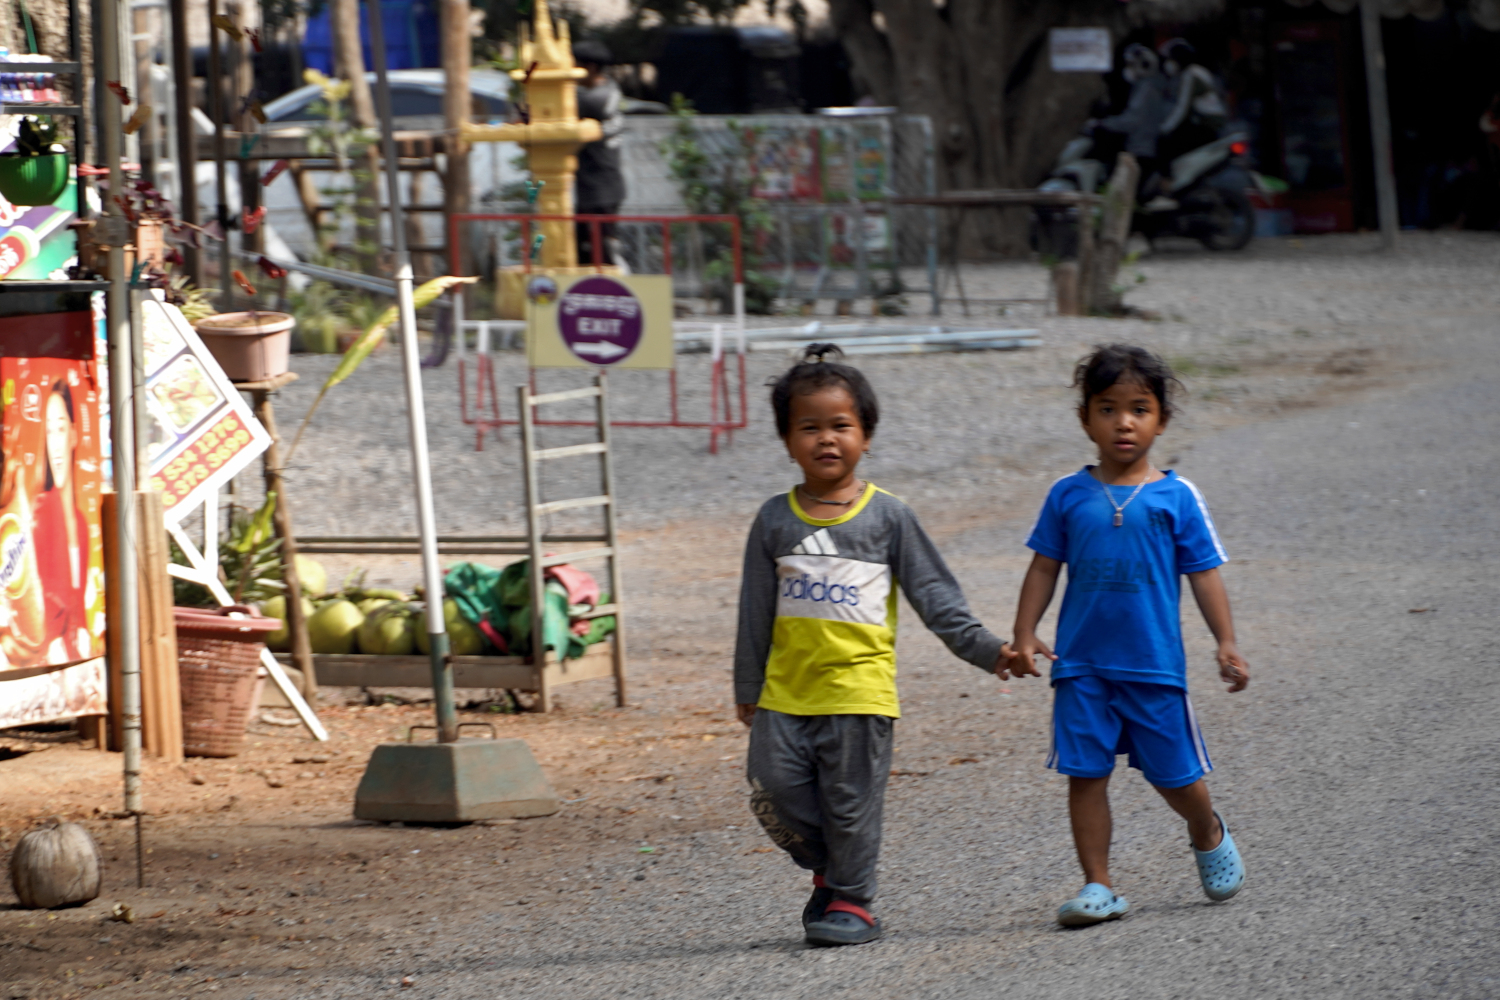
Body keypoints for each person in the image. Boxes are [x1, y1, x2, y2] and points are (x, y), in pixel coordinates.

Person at [734, 344, 1009, 947]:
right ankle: (831, 869)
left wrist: (989, 650)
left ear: (866, 435)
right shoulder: (774, 520)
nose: (826, 439)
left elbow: (936, 597)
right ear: (787, 440)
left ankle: (853, 901)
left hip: (859, 693)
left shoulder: (889, 518)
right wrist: (748, 685)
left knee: (851, 803)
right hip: (785, 695)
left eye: (841, 425)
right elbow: (755, 609)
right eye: (809, 427)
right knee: (773, 789)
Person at [1004, 344, 1249, 926]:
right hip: (1080, 665)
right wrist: (1024, 631)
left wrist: (1225, 641)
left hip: (1153, 664)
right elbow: (1044, 566)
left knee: (1176, 776)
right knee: (1085, 773)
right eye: (1108, 409)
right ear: (1085, 419)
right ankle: (1099, 885)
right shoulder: (1067, 494)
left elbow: (1204, 574)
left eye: (1140, 409)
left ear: (1161, 420)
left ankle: (1206, 829)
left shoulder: (1177, 496)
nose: (1124, 422)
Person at [32, 379, 91, 664]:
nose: (55, 445)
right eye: (48, 432)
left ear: (74, 435)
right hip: (45, 665)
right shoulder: (40, 514)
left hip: (78, 663)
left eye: (60, 429)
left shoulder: (81, 524)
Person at [572, 39, 626, 268]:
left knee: (602, 253)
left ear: (591, 67)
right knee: (587, 252)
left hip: (599, 187)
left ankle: (621, 283)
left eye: (575, 65)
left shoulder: (591, 100)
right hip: (603, 184)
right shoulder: (610, 89)